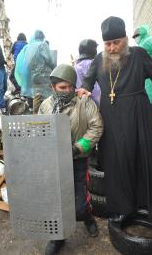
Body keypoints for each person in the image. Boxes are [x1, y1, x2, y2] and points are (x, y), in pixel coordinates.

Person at [77, 16, 152, 223]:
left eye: (117, 42)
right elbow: (87, 81)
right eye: (108, 44)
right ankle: (123, 208)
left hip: (138, 115)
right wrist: (84, 90)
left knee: (143, 158)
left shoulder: (138, 54)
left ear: (125, 39)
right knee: (116, 163)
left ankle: (146, 205)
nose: (113, 48)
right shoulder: (98, 59)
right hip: (110, 119)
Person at [39, 64, 103, 255]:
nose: (66, 91)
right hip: (54, 162)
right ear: (53, 87)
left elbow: (96, 127)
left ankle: (87, 217)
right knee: (57, 201)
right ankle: (58, 237)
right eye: (62, 87)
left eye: (69, 87)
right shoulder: (46, 106)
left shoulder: (84, 103)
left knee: (80, 203)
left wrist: (78, 148)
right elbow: (39, 130)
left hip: (78, 160)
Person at [15, 29, 55, 113]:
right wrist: (55, 68)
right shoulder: (43, 45)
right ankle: (47, 113)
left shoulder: (29, 46)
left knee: (37, 95)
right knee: (47, 95)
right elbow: (49, 60)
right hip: (43, 74)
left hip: (32, 75)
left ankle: (35, 115)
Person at [75, 39, 101, 106]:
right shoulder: (97, 65)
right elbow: (97, 90)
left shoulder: (76, 67)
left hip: (82, 103)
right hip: (99, 104)